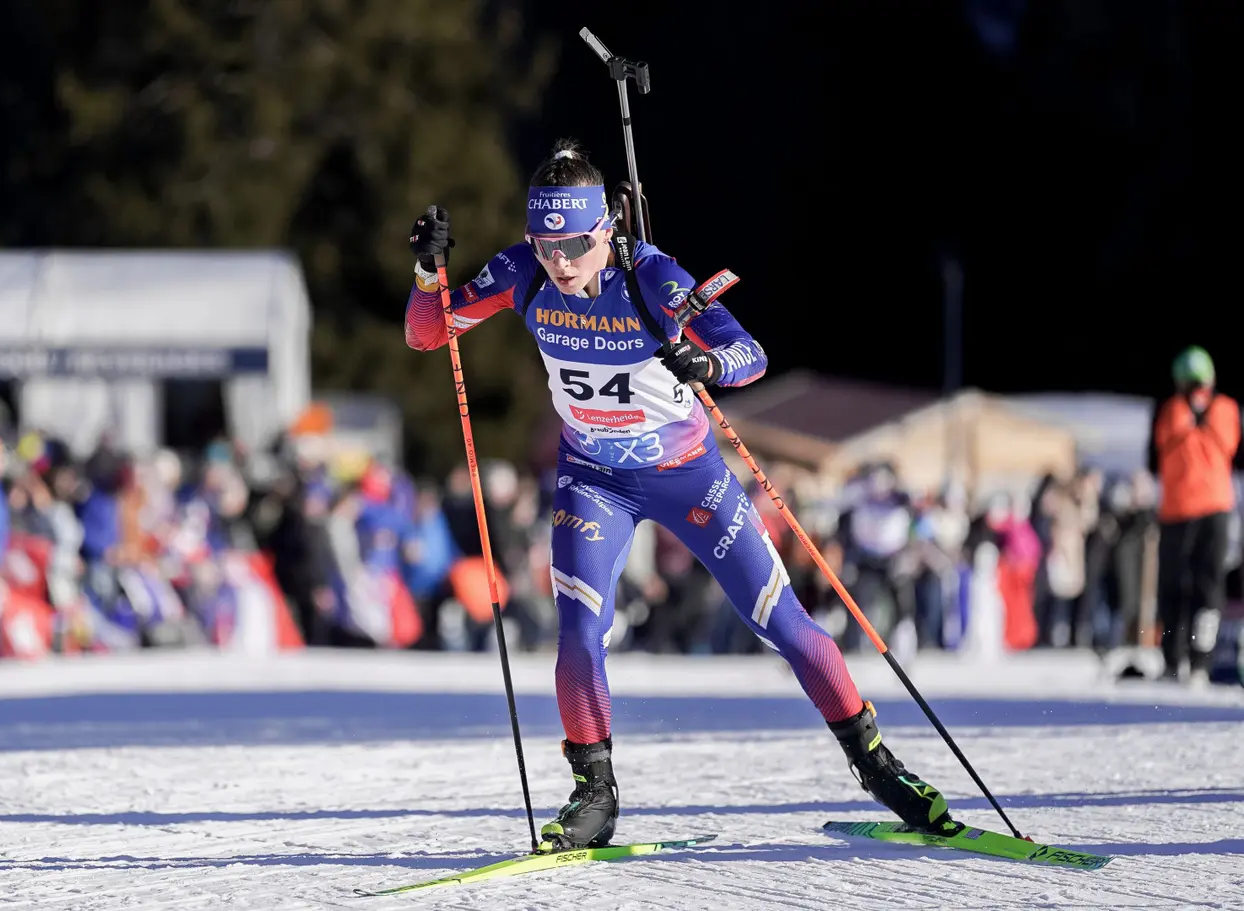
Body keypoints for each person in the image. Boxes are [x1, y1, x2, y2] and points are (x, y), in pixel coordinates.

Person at [403, 139, 960, 851]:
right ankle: (594, 794)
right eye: (545, 245)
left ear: (605, 227)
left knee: (783, 623)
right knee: (578, 634)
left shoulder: (651, 276)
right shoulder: (522, 272)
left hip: (690, 475)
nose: (560, 262)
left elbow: (750, 354)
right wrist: (427, 273)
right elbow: (429, 333)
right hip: (594, 478)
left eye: (574, 245)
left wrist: (706, 361)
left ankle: (878, 766)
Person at [1150, 345, 1239, 680]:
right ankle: (1199, 660)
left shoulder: (1171, 409)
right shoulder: (1224, 409)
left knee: (1176, 588)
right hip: (1210, 511)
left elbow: (1155, 455)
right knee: (1207, 588)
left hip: (1181, 512)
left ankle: (1176, 659)